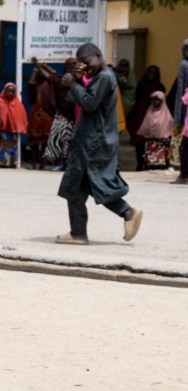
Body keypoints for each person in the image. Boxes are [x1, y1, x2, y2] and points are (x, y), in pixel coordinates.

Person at [56, 43, 143, 246]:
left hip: (92, 143)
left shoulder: (104, 76)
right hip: (90, 140)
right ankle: (79, 232)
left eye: (88, 62)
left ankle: (126, 213)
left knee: (84, 185)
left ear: (98, 55)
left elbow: (89, 103)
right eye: (82, 64)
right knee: (78, 186)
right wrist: (79, 81)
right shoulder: (100, 76)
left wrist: (73, 85)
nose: (86, 67)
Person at [127, 65, 165, 170]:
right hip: (141, 115)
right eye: (150, 72)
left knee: (152, 142)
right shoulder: (141, 84)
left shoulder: (160, 86)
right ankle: (139, 164)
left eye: (154, 73)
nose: (152, 75)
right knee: (139, 142)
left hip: (154, 116)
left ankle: (150, 163)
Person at [137, 91, 174, 169]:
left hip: (161, 143)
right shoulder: (149, 112)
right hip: (151, 143)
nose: (155, 102)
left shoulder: (167, 115)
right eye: (154, 100)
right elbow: (145, 127)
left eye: (158, 100)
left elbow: (169, 130)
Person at [0, 83, 27, 168]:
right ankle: (2, 162)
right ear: (5, 91)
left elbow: (21, 116)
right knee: (4, 145)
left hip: (14, 129)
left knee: (13, 145)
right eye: (9, 91)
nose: (10, 94)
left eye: (12, 92)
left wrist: (20, 126)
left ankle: (12, 162)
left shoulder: (18, 104)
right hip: (4, 129)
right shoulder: (0, 102)